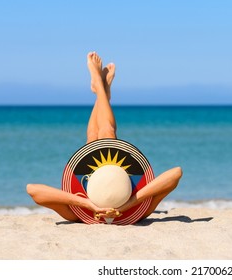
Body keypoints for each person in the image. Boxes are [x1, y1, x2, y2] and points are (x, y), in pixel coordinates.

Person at [26, 51, 182, 222]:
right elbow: (176, 173)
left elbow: (32, 189)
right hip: (122, 192)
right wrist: (130, 203)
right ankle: (101, 90)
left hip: (90, 194)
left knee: (94, 136)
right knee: (107, 132)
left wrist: (87, 204)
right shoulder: (139, 211)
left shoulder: (77, 214)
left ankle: (100, 88)